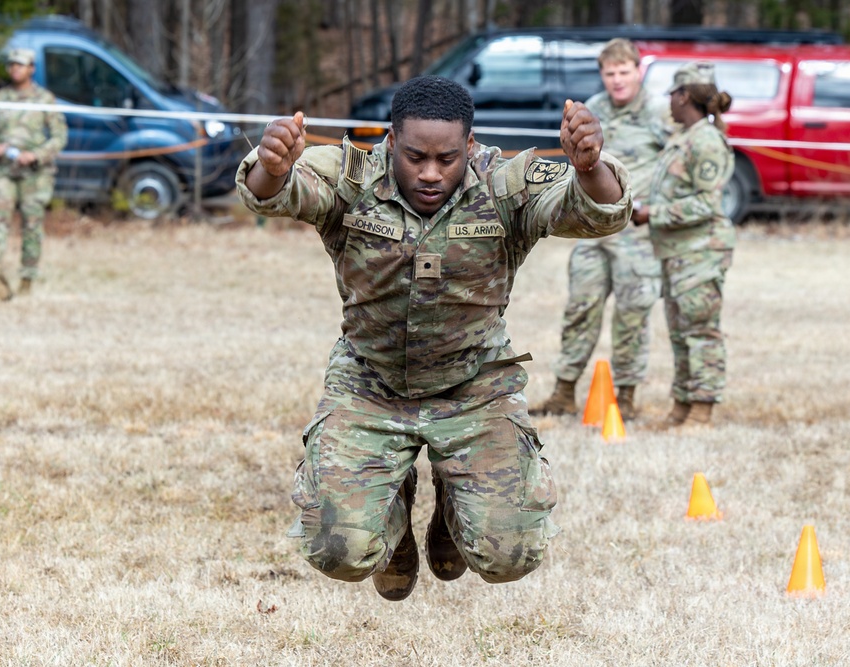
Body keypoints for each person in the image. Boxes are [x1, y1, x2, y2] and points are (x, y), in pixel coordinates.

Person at [236, 75, 631, 601]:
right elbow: (275, 194)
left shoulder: (503, 185)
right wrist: (272, 166)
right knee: (339, 550)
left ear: (469, 146)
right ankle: (391, 519)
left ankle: (454, 500)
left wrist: (589, 168)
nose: (429, 173)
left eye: (447, 159)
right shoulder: (352, 178)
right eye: (415, 156)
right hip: (370, 384)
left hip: (473, 387)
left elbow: (595, 211)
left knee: (509, 557)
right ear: (391, 142)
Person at [531, 38, 672, 421]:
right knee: (580, 309)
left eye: (624, 72)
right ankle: (562, 392)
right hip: (595, 231)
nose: (617, 80)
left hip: (637, 234)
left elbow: (683, 160)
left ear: (638, 71)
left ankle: (624, 398)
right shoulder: (592, 110)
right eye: (610, 73)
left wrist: (660, 206)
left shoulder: (661, 112)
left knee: (632, 314)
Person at [632, 62, 735, 430]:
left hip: (701, 251)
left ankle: (702, 407)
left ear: (684, 96)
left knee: (700, 331)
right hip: (677, 252)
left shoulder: (706, 141)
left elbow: (708, 204)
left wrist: (652, 213)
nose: (669, 104)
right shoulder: (683, 138)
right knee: (679, 332)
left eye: (672, 97)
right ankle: (682, 404)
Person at [0, 47, 67, 295]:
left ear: (31, 69)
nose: (15, 69)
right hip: (4, 172)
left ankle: (27, 281)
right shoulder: (0, 97)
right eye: (12, 64)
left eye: (20, 65)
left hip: (34, 175)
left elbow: (60, 137)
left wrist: (36, 155)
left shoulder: (45, 99)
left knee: (32, 226)